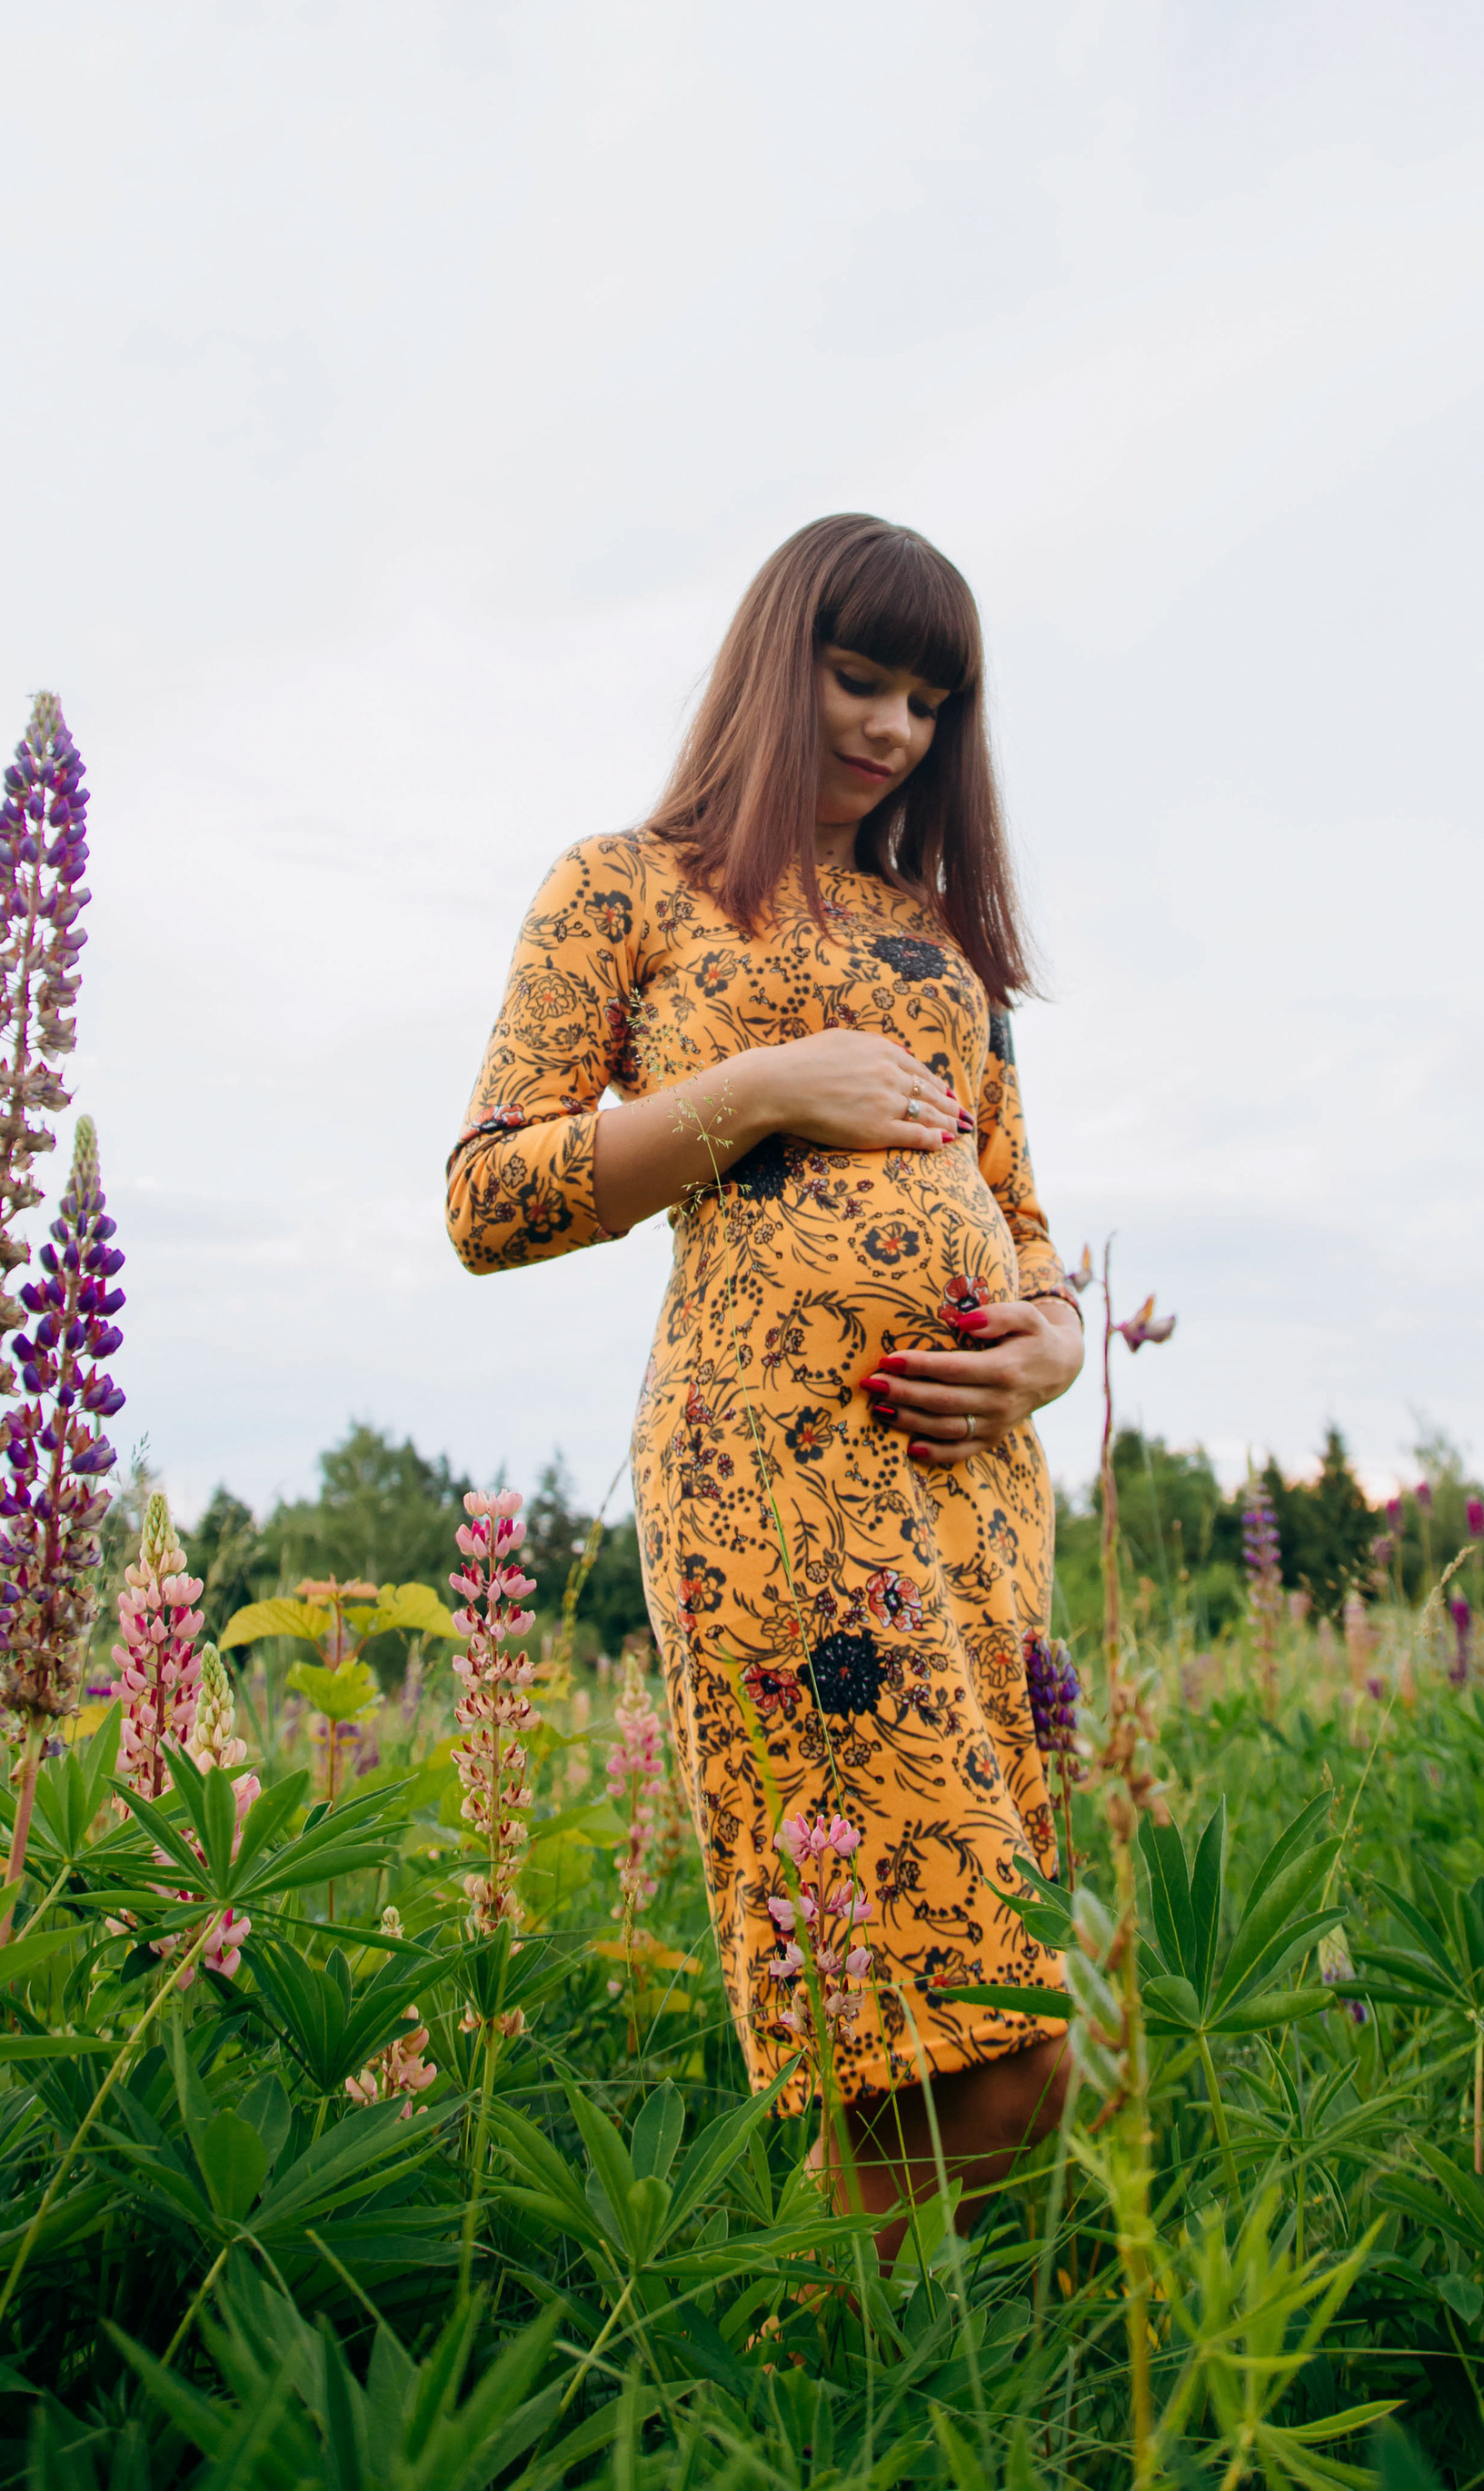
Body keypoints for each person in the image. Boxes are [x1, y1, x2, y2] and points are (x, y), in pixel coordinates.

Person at [447, 512, 1084, 2232]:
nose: (890, 729)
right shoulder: (622, 888)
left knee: (1008, 2037)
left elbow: (1018, 1212)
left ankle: (883, 2382)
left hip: (977, 1508)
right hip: (772, 1487)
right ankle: (829, 2376)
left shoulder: (947, 947)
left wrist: (1056, 1345)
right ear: (771, 662)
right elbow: (490, 1195)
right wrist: (768, 1086)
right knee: (957, 2042)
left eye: (930, 701)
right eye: (858, 676)